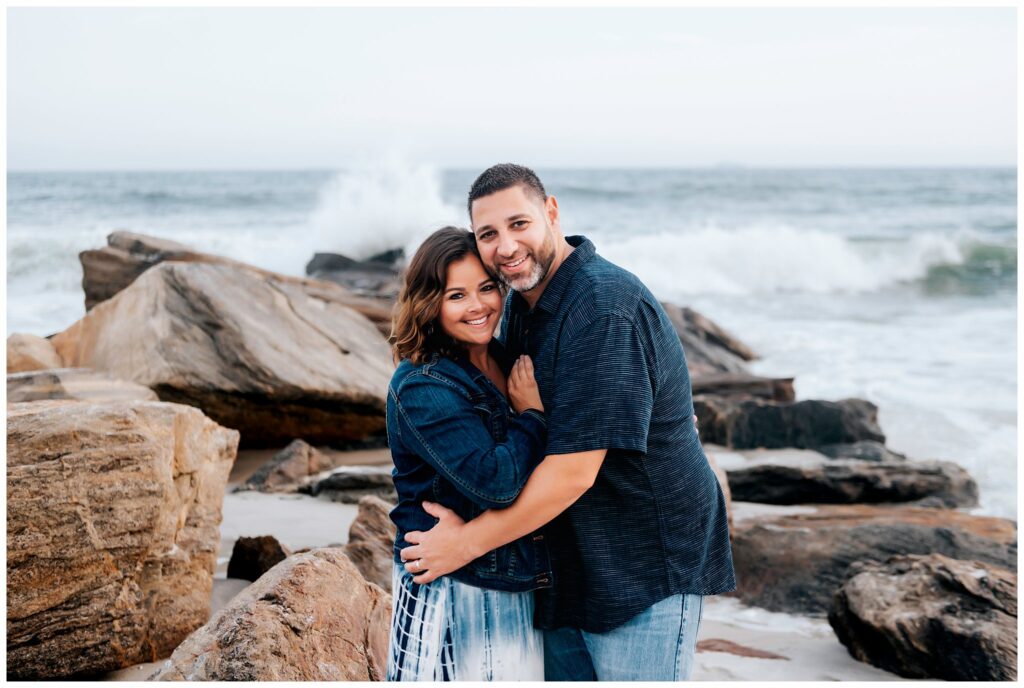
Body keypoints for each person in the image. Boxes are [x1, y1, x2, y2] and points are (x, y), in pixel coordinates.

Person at [399, 164, 737, 681]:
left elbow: (573, 471)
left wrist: (465, 543)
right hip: (569, 563)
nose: (506, 246)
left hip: (644, 563)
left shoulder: (601, 308)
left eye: (519, 224)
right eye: (488, 234)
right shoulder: (521, 307)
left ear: (551, 212)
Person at [384, 226, 553, 681]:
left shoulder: (502, 355)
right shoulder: (422, 384)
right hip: (453, 588)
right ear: (429, 302)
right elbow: (496, 482)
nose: (478, 306)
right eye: (457, 295)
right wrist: (532, 416)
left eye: (486, 288)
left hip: (509, 579)